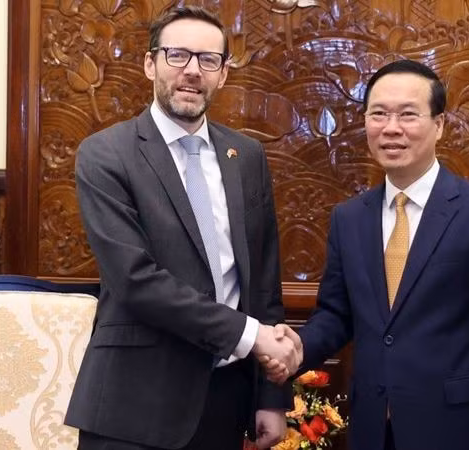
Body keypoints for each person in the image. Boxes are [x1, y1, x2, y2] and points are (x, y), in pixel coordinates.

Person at [66, 6, 301, 450]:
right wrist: (251, 337)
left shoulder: (246, 156)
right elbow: (135, 280)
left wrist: (271, 396)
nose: (192, 71)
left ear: (223, 74)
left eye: (209, 60)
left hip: (224, 398)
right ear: (150, 63)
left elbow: (264, 280)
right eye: (178, 56)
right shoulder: (105, 155)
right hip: (133, 406)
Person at [267, 60, 469, 449]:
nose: (391, 128)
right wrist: (297, 350)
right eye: (378, 114)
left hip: (456, 430)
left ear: (438, 124)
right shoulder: (349, 217)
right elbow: (336, 314)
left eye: (408, 115)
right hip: (374, 430)